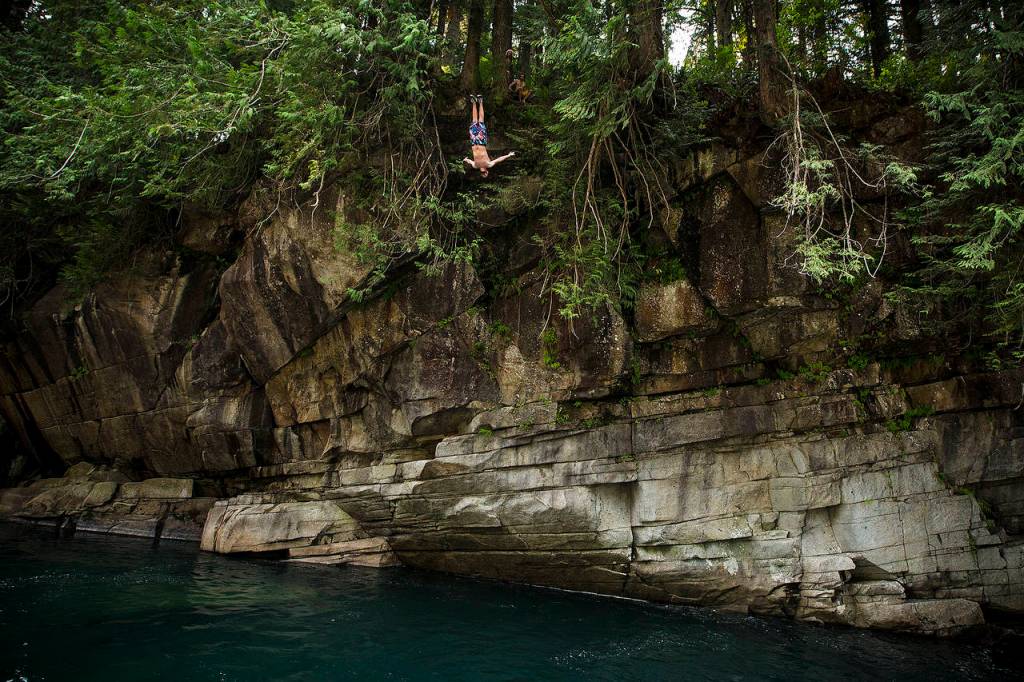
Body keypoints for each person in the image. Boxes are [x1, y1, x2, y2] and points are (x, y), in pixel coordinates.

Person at [463, 94, 514, 178]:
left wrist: (466, 160)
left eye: (482, 174)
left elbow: (469, 161)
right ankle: (481, 102)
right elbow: (499, 160)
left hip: (474, 142)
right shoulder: (489, 164)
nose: (484, 173)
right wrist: (508, 155)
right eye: (485, 174)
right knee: (481, 121)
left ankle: (474, 102)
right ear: (487, 172)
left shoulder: (475, 166)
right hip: (481, 142)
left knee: (474, 121)